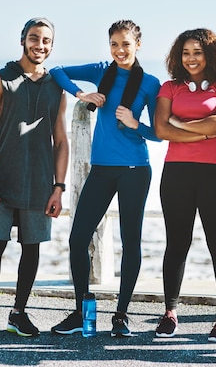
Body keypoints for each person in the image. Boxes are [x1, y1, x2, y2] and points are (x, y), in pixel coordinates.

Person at [49, 20, 161, 337]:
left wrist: (135, 123)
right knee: (77, 239)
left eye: (125, 44)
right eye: (114, 44)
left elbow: (161, 133)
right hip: (101, 168)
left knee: (131, 243)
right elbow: (57, 71)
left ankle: (121, 316)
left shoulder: (150, 84)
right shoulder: (101, 70)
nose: (119, 50)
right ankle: (83, 312)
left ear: (138, 45)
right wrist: (82, 94)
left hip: (135, 170)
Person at [0, 17, 69, 342]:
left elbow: (62, 140)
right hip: (0, 181)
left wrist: (59, 187)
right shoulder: (0, 79)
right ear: (23, 39)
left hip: (40, 184)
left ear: (51, 46)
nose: (40, 45)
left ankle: (18, 313)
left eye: (46, 41)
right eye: (34, 38)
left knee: (32, 248)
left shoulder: (57, 86)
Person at [153, 28, 216, 342]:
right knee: (177, 243)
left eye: (197, 52)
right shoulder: (170, 87)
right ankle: (169, 313)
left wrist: (182, 125)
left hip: (215, 173)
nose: (191, 58)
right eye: (186, 52)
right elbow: (160, 128)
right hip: (176, 173)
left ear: (210, 55)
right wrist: (203, 131)